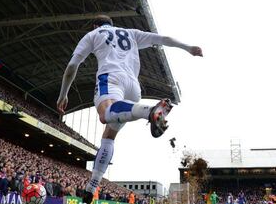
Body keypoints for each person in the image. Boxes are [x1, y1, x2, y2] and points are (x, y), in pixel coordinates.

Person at [57, 15, 202, 203]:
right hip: (134, 88)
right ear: (111, 24)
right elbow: (163, 39)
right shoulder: (131, 34)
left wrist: (63, 95)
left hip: (111, 80)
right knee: (108, 136)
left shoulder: (93, 34)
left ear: (95, 25)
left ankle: (148, 112)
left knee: (104, 115)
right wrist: (188, 48)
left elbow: (72, 66)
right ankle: (91, 187)